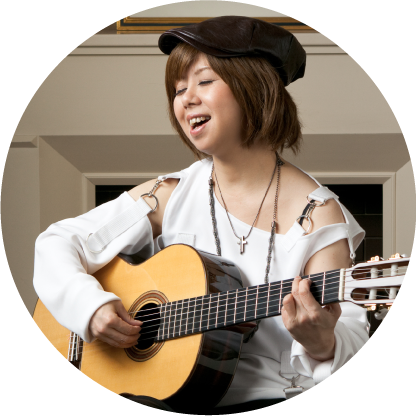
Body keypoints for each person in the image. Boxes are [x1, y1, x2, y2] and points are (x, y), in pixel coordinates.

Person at [33, 16, 369, 413]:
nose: (186, 99)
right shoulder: (170, 194)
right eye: (178, 89)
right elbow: (56, 243)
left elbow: (349, 335)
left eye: (204, 81)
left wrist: (322, 342)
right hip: (164, 397)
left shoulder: (318, 216)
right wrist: (89, 307)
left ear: (256, 88)